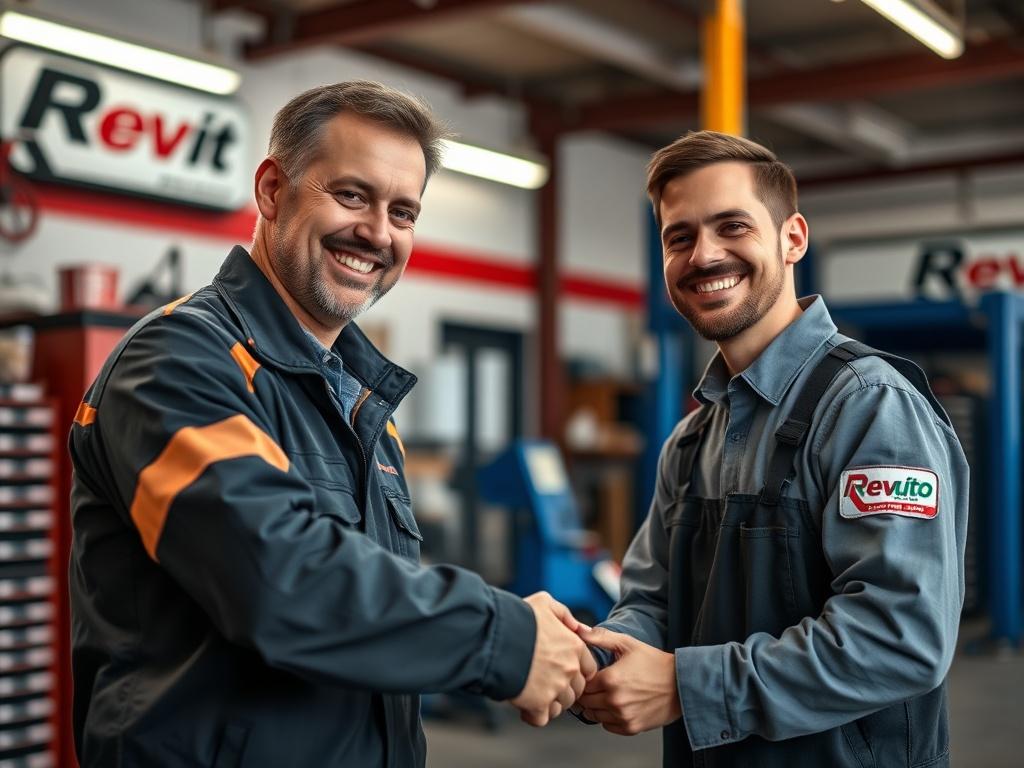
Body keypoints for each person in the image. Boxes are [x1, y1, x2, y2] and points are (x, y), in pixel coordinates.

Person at [68, 80, 595, 768]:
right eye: (351, 195)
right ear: (272, 190)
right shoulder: (177, 362)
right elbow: (278, 580)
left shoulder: (358, 404)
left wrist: (529, 633)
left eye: (402, 212)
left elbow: (366, 596)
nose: (377, 233)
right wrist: (506, 639)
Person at [574, 131, 969, 768]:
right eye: (679, 237)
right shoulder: (691, 440)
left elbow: (900, 638)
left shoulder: (869, 407)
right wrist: (587, 657)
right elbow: (652, 600)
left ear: (793, 239)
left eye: (732, 226)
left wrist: (685, 687)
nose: (704, 255)